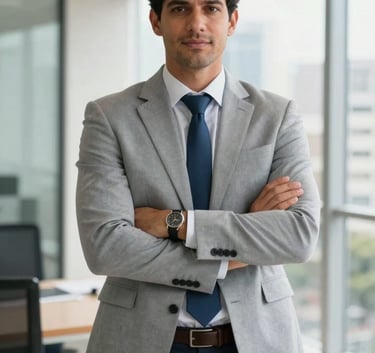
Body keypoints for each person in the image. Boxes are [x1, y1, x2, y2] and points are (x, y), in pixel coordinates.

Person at [76, 0, 321, 352]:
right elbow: (105, 246)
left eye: (211, 8)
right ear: (155, 21)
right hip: (139, 337)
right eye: (179, 9)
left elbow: (299, 235)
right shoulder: (110, 117)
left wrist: (177, 224)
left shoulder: (277, 115)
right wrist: (241, 244)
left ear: (232, 21)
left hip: (257, 337)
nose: (197, 23)